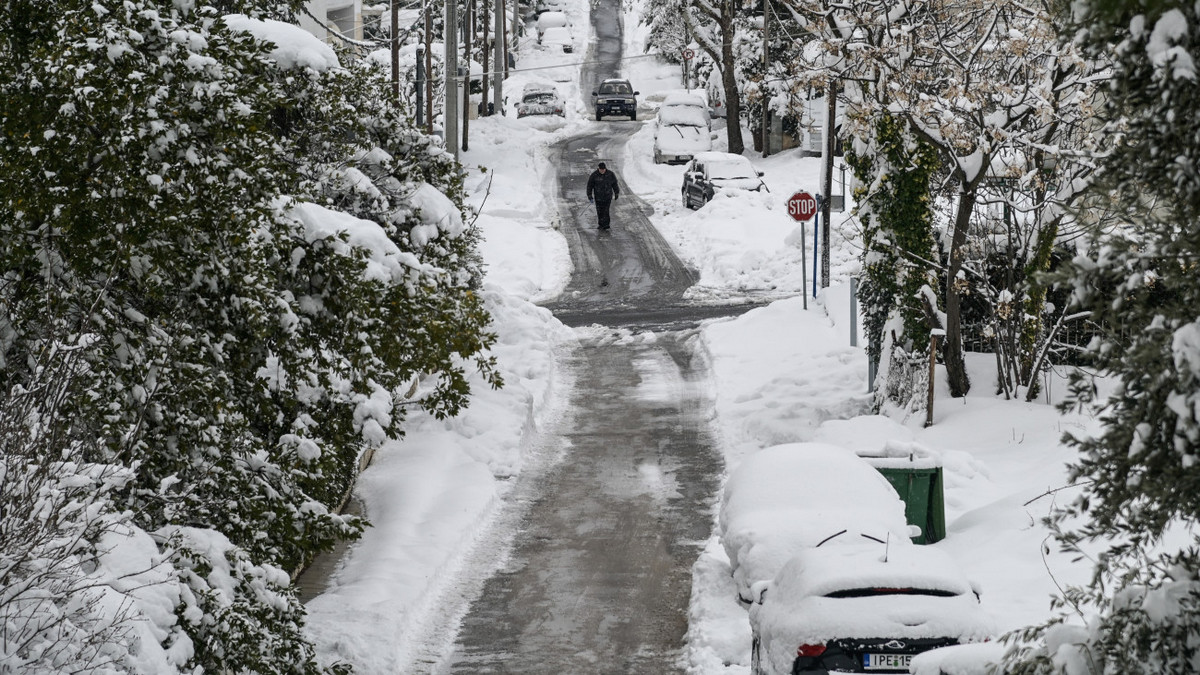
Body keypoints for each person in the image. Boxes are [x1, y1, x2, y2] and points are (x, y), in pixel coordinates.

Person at [586, 161, 620, 230]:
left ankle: (606, 225)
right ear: (598, 169)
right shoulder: (594, 175)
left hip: (608, 196)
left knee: (606, 210)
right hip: (598, 197)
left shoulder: (610, 174)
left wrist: (616, 192)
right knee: (600, 211)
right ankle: (601, 224)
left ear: (605, 168)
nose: (602, 171)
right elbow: (589, 186)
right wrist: (589, 196)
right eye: (601, 169)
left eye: (603, 169)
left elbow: (615, 184)